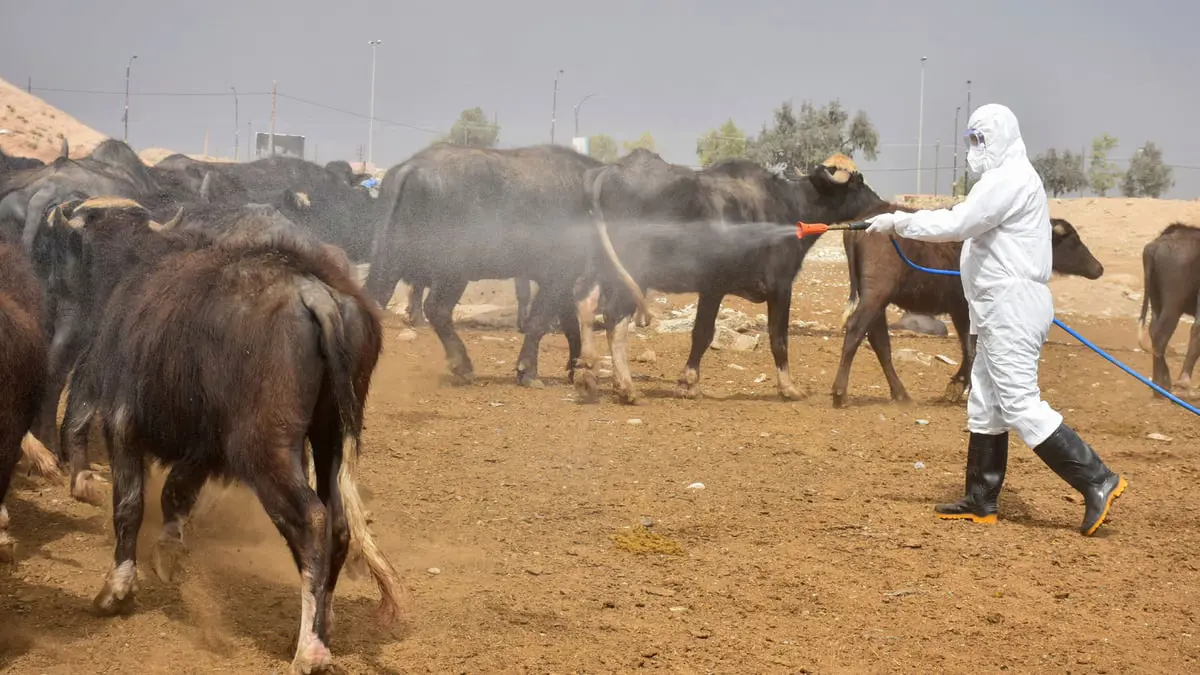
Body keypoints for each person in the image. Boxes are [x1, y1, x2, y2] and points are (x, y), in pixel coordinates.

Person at [864, 103, 1126, 536]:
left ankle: (1097, 478)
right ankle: (981, 498)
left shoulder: (1011, 179)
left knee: (1020, 402)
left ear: (1002, 136)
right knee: (985, 402)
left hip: (1012, 305)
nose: (974, 149)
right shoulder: (1003, 180)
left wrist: (898, 221)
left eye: (980, 139)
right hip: (996, 306)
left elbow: (962, 221)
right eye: (971, 140)